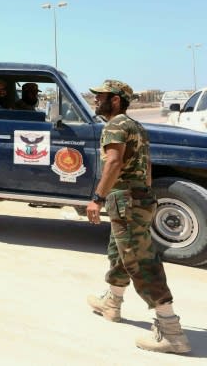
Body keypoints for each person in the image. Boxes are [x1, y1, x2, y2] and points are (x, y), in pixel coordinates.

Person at [86, 79, 190, 354]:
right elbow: (146, 165)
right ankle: (112, 302)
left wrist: (97, 198)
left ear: (116, 100)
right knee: (119, 252)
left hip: (126, 199)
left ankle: (171, 331)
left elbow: (114, 162)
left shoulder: (116, 125)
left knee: (140, 260)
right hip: (138, 197)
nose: (96, 100)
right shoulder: (136, 126)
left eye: (101, 96)